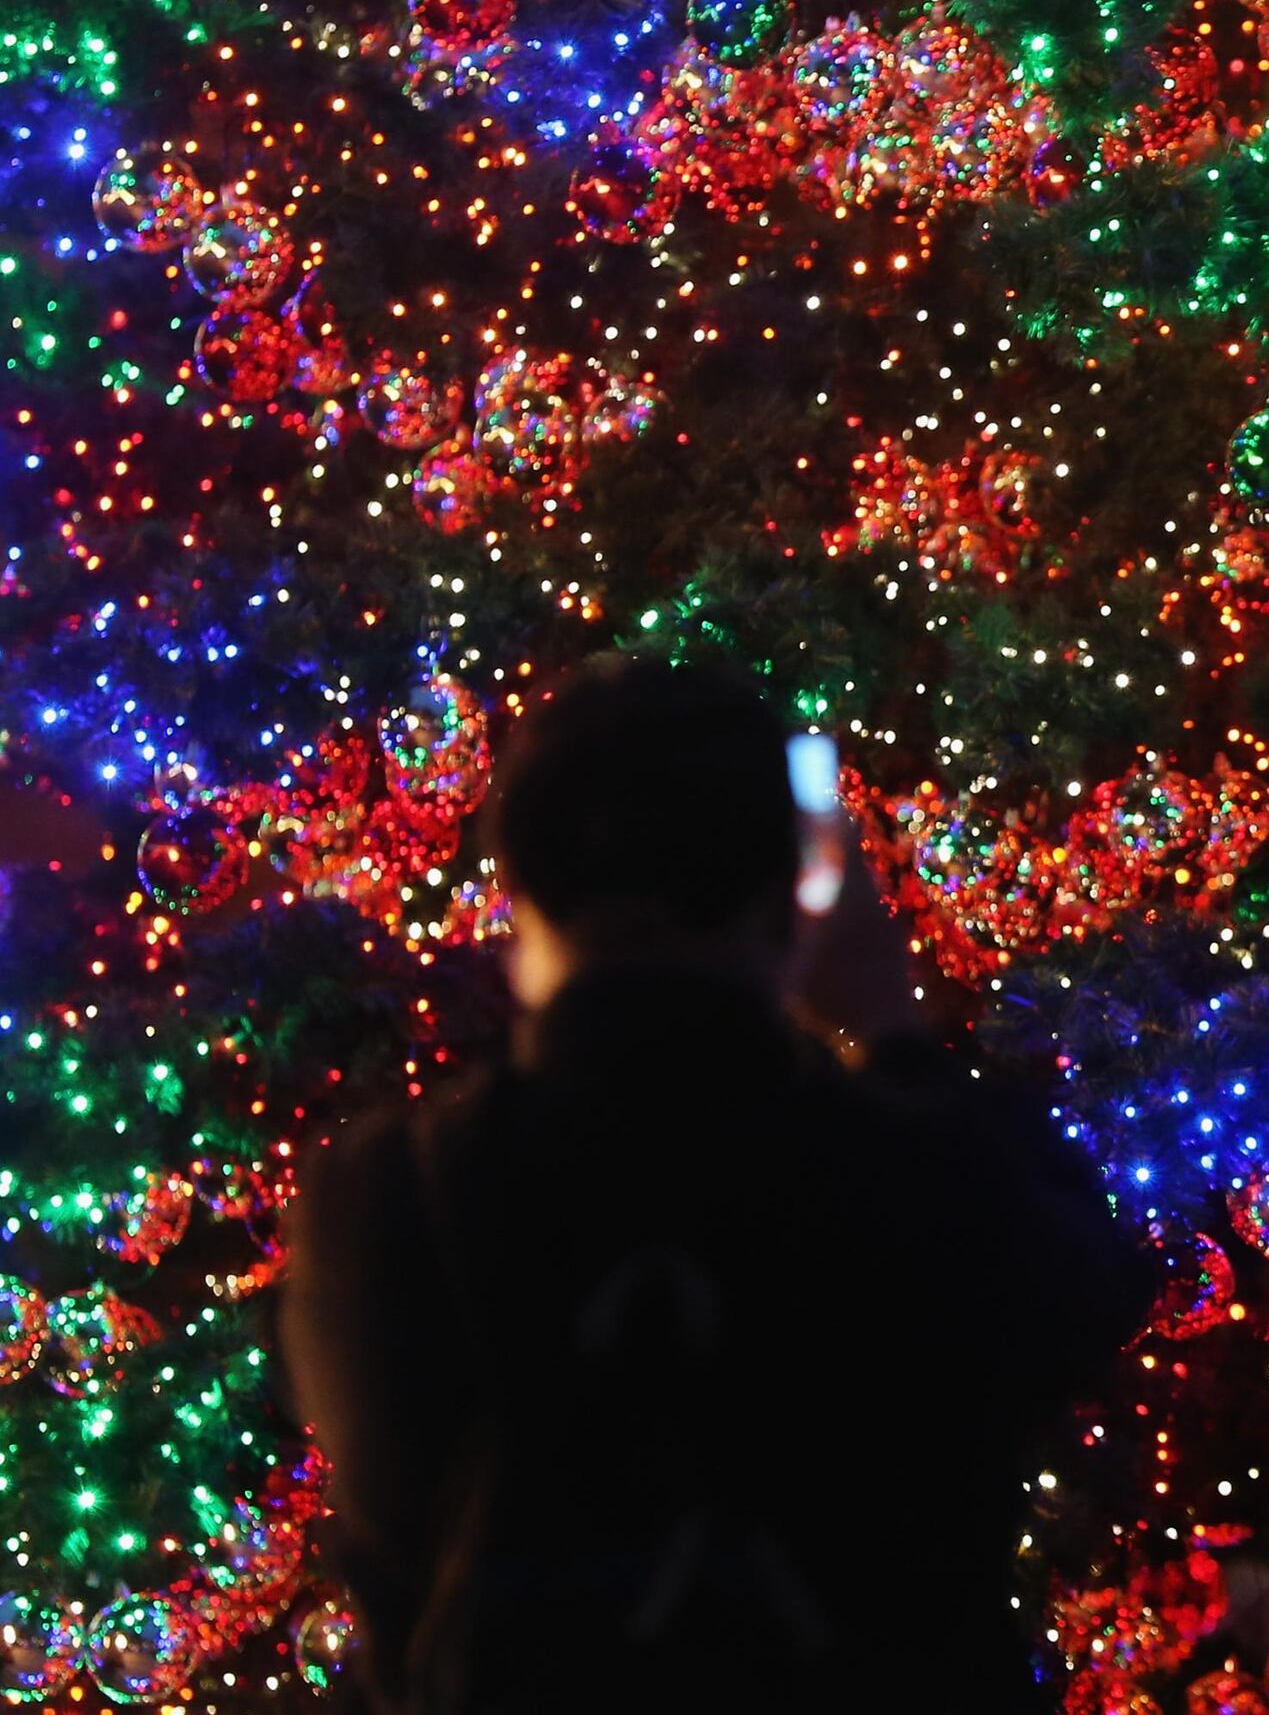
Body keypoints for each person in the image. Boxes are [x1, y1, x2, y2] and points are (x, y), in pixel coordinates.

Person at [276, 654, 1155, 1715]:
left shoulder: (383, 1196)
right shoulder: (922, 1174)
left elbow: (394, 1584)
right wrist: (888, 1025)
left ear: (520, 884)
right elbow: (1089, 1285)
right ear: (791, 892)